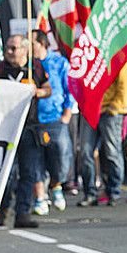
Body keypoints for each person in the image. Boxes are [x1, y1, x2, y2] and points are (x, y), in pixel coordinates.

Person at [0, 35, 52, 228]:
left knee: (28, 172)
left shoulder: (35, 67)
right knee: (6, 173)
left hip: (29, 127)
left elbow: (48, 89)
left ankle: (23, 213)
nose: (9, 52)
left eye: (14, 48)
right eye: (7, 48)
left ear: (25, 50)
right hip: (5, 128)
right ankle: (2, 208)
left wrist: (36, 91)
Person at [30, 30, 74, 215]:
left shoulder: (58, 62)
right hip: (33, 121)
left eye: (30, 41)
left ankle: (56, 185)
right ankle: (40, 199)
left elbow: (69, 87)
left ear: (41, 43)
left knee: (60, 158)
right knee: (35, 161)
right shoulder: (29, 65)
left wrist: (67, 112)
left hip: (54, 119)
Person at [77, 63, 127, 207]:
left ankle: (113, 191)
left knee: (112, 152)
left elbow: (124, 84)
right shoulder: (89, 57)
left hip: (110, 112)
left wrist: (116, 107)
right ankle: (90, 193)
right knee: (85, 152)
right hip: (91, 109)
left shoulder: (117, 56)